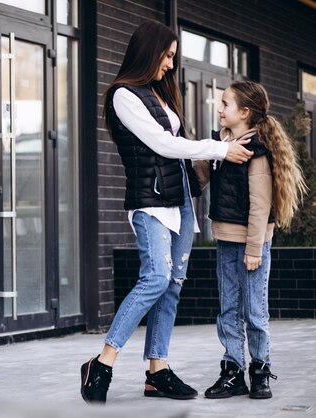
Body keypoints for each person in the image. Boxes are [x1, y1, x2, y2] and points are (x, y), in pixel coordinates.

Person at [79, 20, 255, 404]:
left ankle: (157, 371)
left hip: (180, 203)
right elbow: (162, 143)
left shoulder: (158, 93)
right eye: (168, 56)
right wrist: (217, 149)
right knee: (155, 278)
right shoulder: (123, 96)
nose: (171, 65)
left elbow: (175, 143)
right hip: (151, 204)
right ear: (150, 51)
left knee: (172, 285)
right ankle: (102, 362)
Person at [202, 81, 307, 400]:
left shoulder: (255, 148)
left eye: (225, 104)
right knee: (228, 309)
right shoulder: (220, 143)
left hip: (252, 243)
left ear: (244, 112)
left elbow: (260, 204)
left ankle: (260, 371)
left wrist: (254, 249)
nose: (219, 109)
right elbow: (200, 179)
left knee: (255, 312)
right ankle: (233, 370)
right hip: (224, 239)